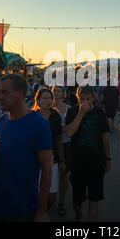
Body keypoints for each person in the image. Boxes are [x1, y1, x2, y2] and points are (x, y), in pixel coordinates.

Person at [0, 74, 52, 222]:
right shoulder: (1, 120)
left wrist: (41, 211)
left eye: (4, 92)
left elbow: (47, 169)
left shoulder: (39, 124)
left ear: (21, 93)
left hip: (22, 208)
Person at [65, 85, 110, 221]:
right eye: (82, 99)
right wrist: (81, 113)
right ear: (78, 98)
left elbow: (104, 137)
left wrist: (108, 159)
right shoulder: (72, 112)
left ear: (93, 98)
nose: (85, 102)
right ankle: (78, 213)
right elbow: (69, 133)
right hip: (78, 162)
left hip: (96, 162)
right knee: (77, 198)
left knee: (94, 199)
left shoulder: (100, 113)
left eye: (88, 99)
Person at [33, 88, 63, 213]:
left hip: (53, 157)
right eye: (45, 98)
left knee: (52, 194)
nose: (48, 100)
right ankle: (40, 214)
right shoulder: (33, 117)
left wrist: (61, 159)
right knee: (38, 191)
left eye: (50, 98)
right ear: (38, 101)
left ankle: (43, 212)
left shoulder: (56, 116)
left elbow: (58, 138)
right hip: (35, 159)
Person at [52, 85, 72, 216]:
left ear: (62, 94)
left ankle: (61, 201)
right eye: (53, 91)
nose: (55, 93)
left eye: (58, 91)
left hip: (66, 143)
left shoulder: (68, 109)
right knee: (51, 173)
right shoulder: (47, 106)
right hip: (52, 144)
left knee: (64, 173)